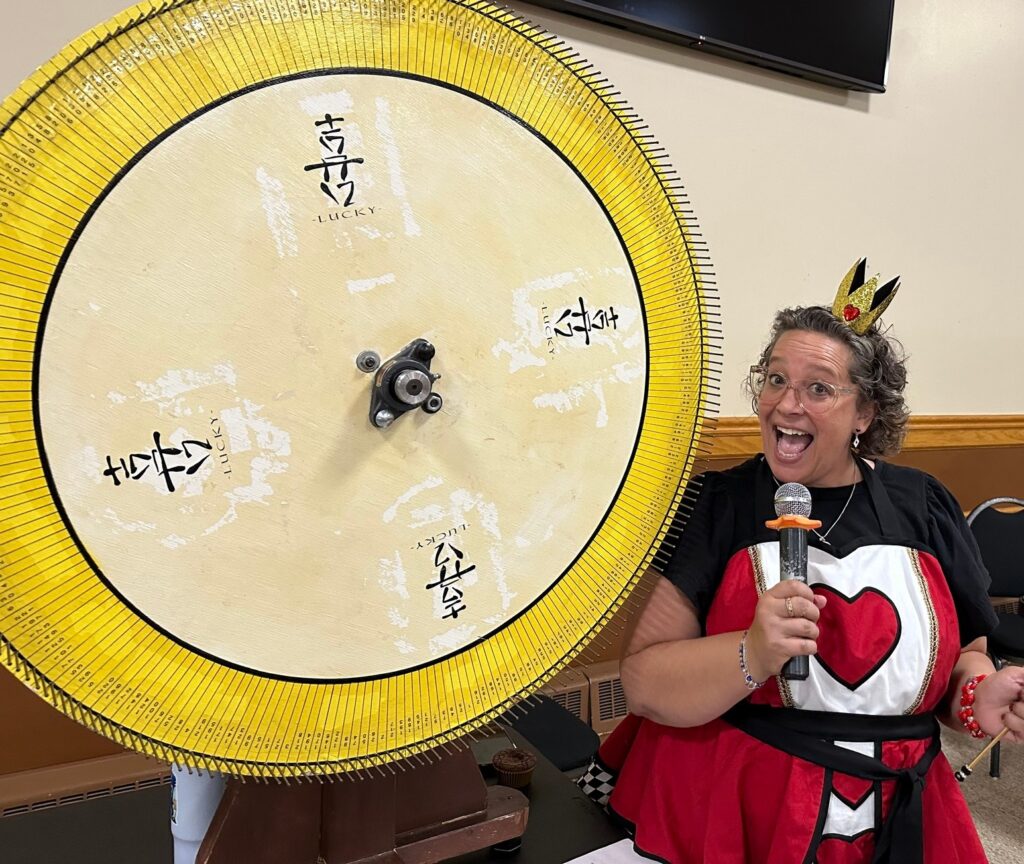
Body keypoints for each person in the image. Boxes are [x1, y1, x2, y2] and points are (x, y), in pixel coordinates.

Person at [578, 259, 1024, 864]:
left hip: (897, 807)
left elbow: (960, 659)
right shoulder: (718, 505)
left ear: (865, 413)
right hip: (744, 807)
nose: (787, 405)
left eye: (818, 388)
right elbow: (645, 683)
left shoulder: (922, 505)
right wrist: (752, 652)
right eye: (774, 379)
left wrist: (978, 692)